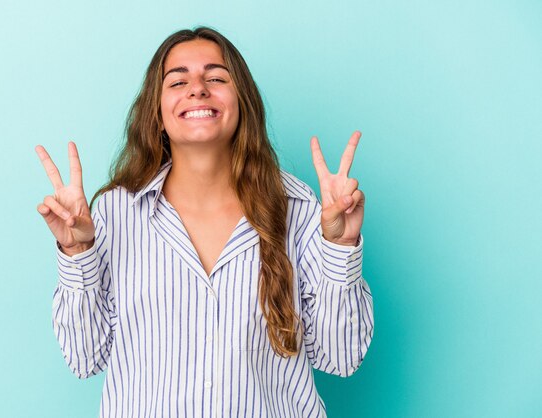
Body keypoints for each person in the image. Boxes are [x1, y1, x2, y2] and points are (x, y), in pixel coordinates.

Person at [35, 26, 373, 418]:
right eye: (178, 81)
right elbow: (84, 358)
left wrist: (341, 248)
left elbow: (342, 358)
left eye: (215, 77)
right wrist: (77, 252)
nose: (197, 88)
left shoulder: (298, 209)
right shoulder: (113, 214)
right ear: (157, 113)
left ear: (241, 102)